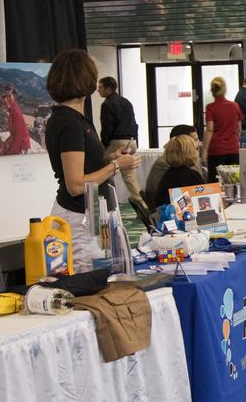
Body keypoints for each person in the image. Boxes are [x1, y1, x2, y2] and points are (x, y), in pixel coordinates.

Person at [45, 50, 140, 272]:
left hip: (93, 213)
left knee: (104, 272)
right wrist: (116, 166)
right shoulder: (69, 123)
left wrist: (108, 158)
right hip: (80, 217)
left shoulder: (74, 120)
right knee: (89, 276)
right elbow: (76, 185)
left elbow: (84, 164)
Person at [97, 76, 143, 205]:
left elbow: (107, 127)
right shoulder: (126, 101)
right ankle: (143, 206)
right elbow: (135, 123)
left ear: (108, 89)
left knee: (103, 172)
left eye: (100, 87)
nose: (98, 90)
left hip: (117, 142)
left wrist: (104, 146)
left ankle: (107, 203)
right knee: (130, 177)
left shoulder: (107, 104)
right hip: (131, 141)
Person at [202, 76, 242, 184]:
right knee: (234, 181)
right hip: (233, 149)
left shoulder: (210, 107)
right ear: (225, 89)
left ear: (212, 91)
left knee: (215, 182)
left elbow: (210, 130)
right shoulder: (235, 106)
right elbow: (239, 129)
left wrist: (204, 150)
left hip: (216, 151)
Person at [145, 124, 201, 199]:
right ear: (184, 143)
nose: (199, 144)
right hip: (167, 207)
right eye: (195, 140)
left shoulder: (188, 163)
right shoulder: (164, 165)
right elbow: (172, 198)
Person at [152, 134, 206, 209]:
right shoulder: (191, 176)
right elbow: (204, 202)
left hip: (165, 214)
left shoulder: (169, 174)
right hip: (178, 217)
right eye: (196, 149)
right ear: (190, 153)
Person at [1, 85, 30, 154]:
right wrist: (5, 143)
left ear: (14, 96)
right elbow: (14, 133)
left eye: (10, 96)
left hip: (21, 146)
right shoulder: (12, 111)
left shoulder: (16, 112)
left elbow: (19, 136)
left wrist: (11, 152)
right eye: (6, 96)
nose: (8, 98)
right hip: (18, 143)